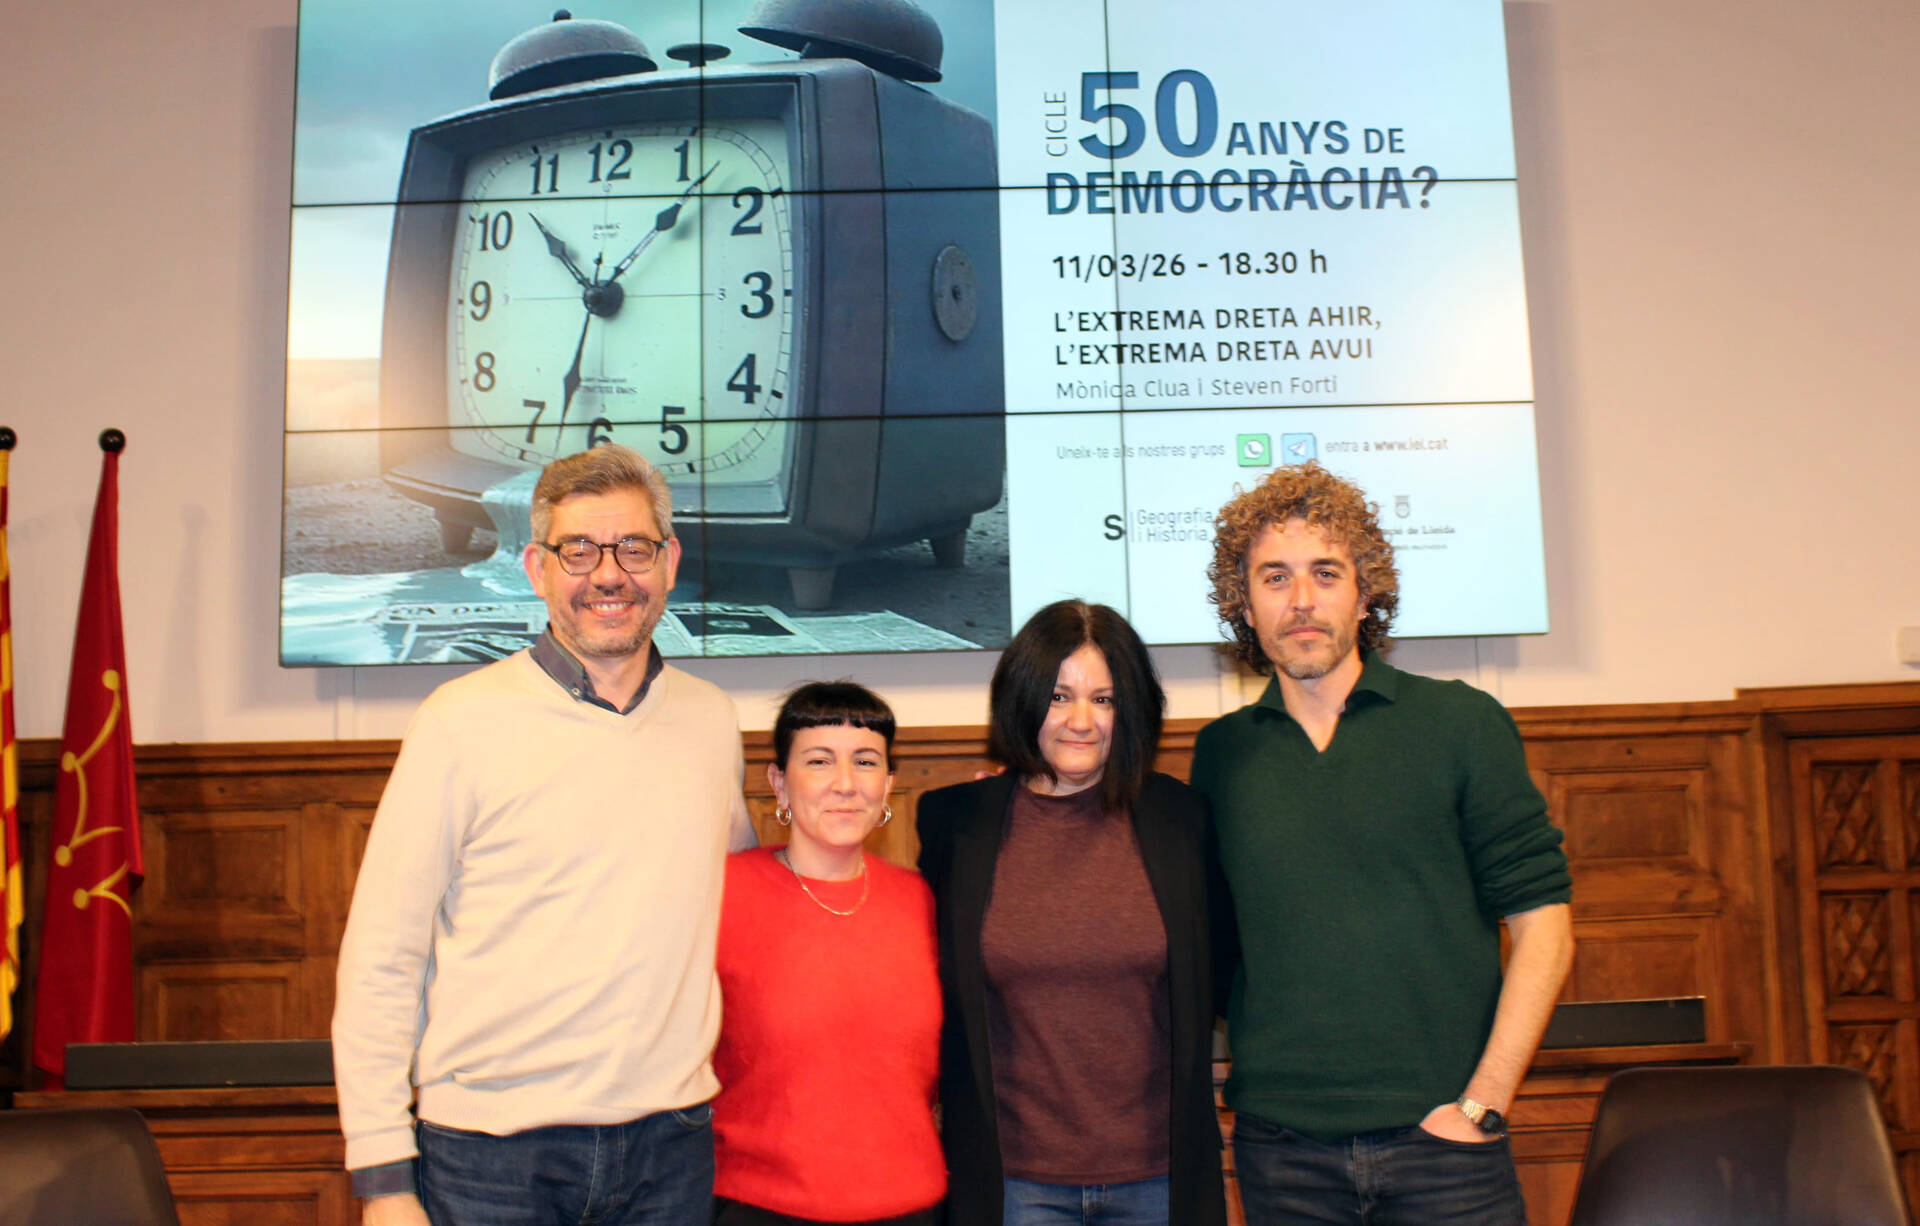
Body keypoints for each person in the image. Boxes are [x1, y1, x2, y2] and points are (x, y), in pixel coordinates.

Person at [332, 444, 755, 1226]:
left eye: (633, 549)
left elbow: (741, 905)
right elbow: (383, 958)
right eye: (578, 551)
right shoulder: (458, 722)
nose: (608, 575)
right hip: (492, 1158)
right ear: (535, 568)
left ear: (669, 562)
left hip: (671, 1150)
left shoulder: (711, 721)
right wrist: (384, 1178)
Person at [1192, 461, 1574, 1225]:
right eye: (1274, 577)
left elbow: (1545, 927)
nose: (1301, 599)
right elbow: (1218, 947)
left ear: (1365, 593)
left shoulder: (1459, 724)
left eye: (1325, 572)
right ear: (1245, 605)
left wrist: (1483, 1104)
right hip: (1282, 1153)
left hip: (1446, 1147)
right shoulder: (1222, 754)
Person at [917, 600, 1228, 1226]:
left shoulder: (1182, 819)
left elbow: (1222, 968)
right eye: (1059, 697)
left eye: (1104, 700)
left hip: (1158, 1176)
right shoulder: (957, 821)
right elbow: (929, 986)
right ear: (1024, 701)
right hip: (1013, 1181)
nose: (1081, 721)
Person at [711, 682, 945, 1226]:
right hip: (759, 1208)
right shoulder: (721, 894)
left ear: (887, 784)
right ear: (779, 783)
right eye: (819, 761)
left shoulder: (924, 901)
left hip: (912, 1206)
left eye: (865, 762)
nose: (845, 783)